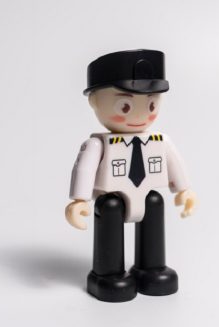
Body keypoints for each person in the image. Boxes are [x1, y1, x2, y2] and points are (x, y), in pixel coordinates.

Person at [65, 49, 197, 302]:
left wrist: (184, 189)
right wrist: (79, 199)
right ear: (94, 101)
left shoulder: (159, 140)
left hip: (146, 194)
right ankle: (108, 273)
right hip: (112, 197)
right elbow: (84, 169)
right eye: (124, 106)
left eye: (151, 104)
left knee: (154, 202)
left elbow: (174, 162)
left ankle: (152, 267)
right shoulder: (98, 144)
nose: (140, 115)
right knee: (110, 208)